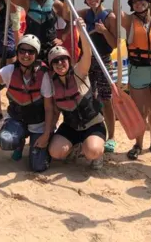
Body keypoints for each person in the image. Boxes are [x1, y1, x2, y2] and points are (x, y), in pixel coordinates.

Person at [0, 35, 53, 172]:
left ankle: (40, 146)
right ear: (17, 52)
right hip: (18, 118)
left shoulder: (44, 74)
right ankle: (20, 142)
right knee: (5, 141)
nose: (26, 55)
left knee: (38, 166)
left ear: (36, 55)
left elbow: (48, 108)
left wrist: (46, 134)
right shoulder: (11, 70)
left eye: (31, 52)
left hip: (38, 123)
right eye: (22, 51)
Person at [112, 0, 151, 161]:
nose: (139, 3)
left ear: (149, 2)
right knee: (140, 111)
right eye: (135, 1)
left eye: (142, 0)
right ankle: (138, 144)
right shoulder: (129, 22)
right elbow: (115, 12)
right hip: (138, 71)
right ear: (131, 5)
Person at [46, 22, 107, 170]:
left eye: (63, 60)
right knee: (55, 152)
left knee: (92, 151)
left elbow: (87, 53)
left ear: (68, 60)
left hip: (93, 124)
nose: (60, 64)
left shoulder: (79, 72)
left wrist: (82, 31)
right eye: (55, 62)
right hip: (71, 126)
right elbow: (54, 112)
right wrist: (48, 134)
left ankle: (96, 153)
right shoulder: (52, 84)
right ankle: (76, 146)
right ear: (51, 65)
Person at [77, 0, 118, 153]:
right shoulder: (84, 13)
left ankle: (112, 137)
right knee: (87, 98)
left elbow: (114, 43)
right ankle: (91, 130)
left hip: (103, 60)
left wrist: (104, 31)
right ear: (85, 0)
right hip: (87, 59)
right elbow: (65, 12)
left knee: (106, 99)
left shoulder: (109, 17)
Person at [5, 0, 69, 61]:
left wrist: (62, 38)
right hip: (30, 45)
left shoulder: (56, 4)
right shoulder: (27, 2)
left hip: (50, 46)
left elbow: (70, 21)